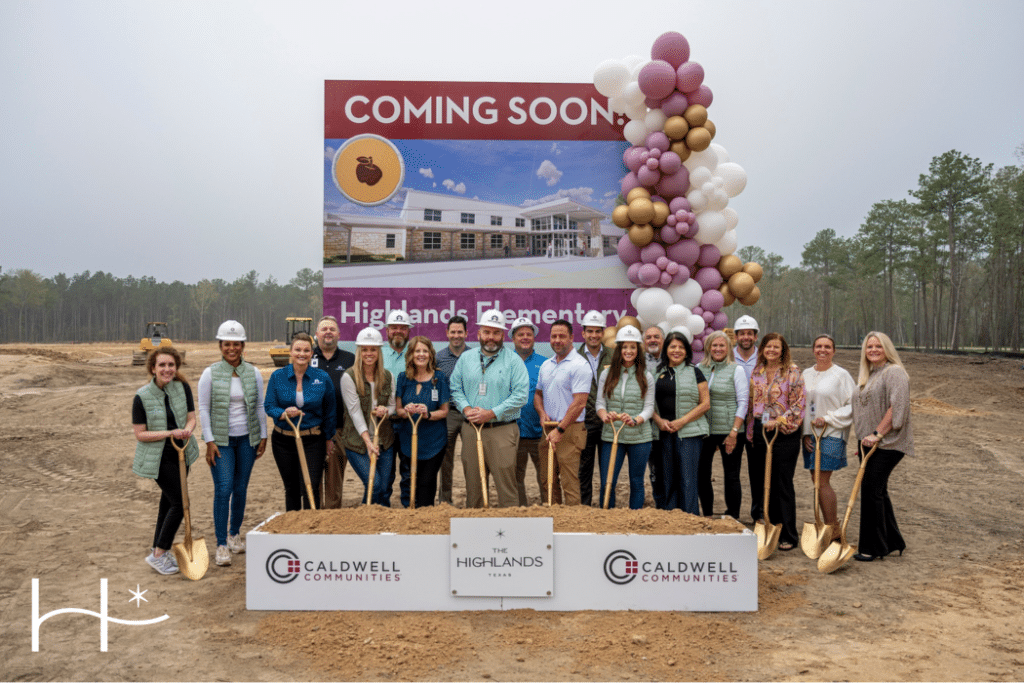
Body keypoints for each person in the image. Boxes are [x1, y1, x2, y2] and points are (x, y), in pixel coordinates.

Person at [198, 320, 267, 567]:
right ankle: (220, 544)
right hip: (222, 442)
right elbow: (204, 408)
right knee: (224, 488)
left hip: (247, 439)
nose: (232, 348)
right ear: (220, 345)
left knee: (240, 488)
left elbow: (259, 404)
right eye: (227, 344)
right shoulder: (210, 373)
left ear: (243, 345)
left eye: (236, 344)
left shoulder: (253, 372)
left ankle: (234, 534)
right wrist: (209, 440)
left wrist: (264, 435)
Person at [449, 309, 529, 508]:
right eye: (487, 332)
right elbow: (455, 388)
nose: (490, 338)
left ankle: (510, 533)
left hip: (502, 430)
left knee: (507, 488)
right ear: (478, 334)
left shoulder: (514, 361)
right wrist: (466, 408)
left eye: (496, 333)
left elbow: (520, 396)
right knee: (474, 489)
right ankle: (474, 534)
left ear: (503, 335)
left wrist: (491, 413)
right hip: (471, 429)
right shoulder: (466, 359)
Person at [132, 346, 198, 576]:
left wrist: (187, 431)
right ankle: (159, 554)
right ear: (153, 368)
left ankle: (157, 547)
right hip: (159, 458)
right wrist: (170, 433)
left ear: (176, 367)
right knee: (181, 504)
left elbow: (191, 419)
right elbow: (140, 434)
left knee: (168, 502)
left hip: (182, 455)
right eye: (162, 365)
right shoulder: (142, 396)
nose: (167, 369)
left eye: (171, 365)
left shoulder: (183, 388)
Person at [852, 331, 912, 561]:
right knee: (878, 491)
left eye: (878, 346)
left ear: (887, 349)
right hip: (868, 442)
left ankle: (872, 547)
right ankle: (893, 541)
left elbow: (896, 408)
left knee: (870, 490)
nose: (873, 350)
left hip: (888, 442)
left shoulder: (894, 372)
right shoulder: (871, 374)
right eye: (869, 347)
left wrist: (878, 433)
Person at [264, 332, 337, 511]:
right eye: (297, 349)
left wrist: (329, 438)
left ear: (312, 353)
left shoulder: (322, 378)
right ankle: (293, 531)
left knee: (311, 485)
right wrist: (283, 413)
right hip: (283, 440)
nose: (301, 354)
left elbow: (330, 411)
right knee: (292, 488)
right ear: (290, 352)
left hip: (313, 440)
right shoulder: (277, 377)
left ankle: (312, 529)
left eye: (306, 350)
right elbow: (269, 405)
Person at [747, 332, 805, 551]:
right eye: (768, 346)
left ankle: (789, 534)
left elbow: (799, 404)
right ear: (762, 349)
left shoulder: (793, 372)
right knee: (765, 482)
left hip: (785, 434)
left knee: (782, 483)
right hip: (761, 434)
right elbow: (753, 405)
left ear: (783, 350)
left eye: (776, 347)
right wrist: (751, 433)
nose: (771, 350)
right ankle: (771, 526)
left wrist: (779, 421)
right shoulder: (757, 372)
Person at [595, 325, 655, 509]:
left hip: (640, 437)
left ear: (638, 350)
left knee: (637, 481)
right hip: (611, 435)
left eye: (633, 347)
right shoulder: (607, 373)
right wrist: (605, 416)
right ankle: (607, 516)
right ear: (619, 350)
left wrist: (636, 420)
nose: (628, 351)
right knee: (608, 481)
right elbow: (600, 403)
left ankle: (634, 521)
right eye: (624, 347)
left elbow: (649, 408)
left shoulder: (646, 376)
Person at [801, 334, 854, 535]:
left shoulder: (841, 375)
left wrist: (830, 418)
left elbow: (851, 405)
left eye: (827, 347)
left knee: (822, 481)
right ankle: (826, 524)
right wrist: (805, 433)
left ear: (834, 350)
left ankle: (833, 527)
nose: (822, 350)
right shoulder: (805, 373)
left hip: (831, 432)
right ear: (813, 349)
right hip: (810, 435)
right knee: (816, 481)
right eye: (818, 346)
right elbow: (803, 406)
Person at [652, 332, 710, 513]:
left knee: (687, 478)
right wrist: (659, 421)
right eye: (672, 347)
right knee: (667, 478)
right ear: (666, 350)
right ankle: (671, 519)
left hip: (690, 433)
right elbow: (647, 403)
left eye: (681, 347)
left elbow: (705, 403)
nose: (676, 350)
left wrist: (682, 421)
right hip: (663, 432)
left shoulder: (695, 372)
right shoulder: (657, 373)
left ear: (687, 351)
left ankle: (690, 518)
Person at [536, 319, 592, 505]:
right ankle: (553, 520)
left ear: (572, 338)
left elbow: (580, 403)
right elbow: (538, 394)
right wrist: (541, 412)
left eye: (562, 336)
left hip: (570, 430)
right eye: (554, 336)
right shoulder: (546, 365)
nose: (557, 340)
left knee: (570, 482)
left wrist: (560, 430)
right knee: (547, 481)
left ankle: (573, 526)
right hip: (548, 429)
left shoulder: (580, 365)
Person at [340, 327, 396, 506]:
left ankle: (384, 524)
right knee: (374, 484)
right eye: (364, 349)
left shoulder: (388, 376)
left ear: (379, 351)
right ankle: (367, 521)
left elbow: (393, 406)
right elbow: (354, 412)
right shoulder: (349, 377)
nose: (369, 353)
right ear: (359, 351)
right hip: (357, 442)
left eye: (373, 349)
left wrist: (386, 411)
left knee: (385, 487)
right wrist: (368, 442)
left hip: (384, 440)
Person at [697, 331, 749, 519]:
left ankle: (732, 515)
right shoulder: (699, 368)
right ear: (708, 348)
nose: (718, 349)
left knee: (731, 475)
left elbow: (743, 402)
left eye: (722, 345)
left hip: (730, 430)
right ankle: (708, 514)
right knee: (702, 474)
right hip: (705, 430)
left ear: (728, 349)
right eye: (714, 345)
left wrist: (734, 431)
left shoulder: (736, 370)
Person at [394, 336, 450, 508]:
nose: (421, 354)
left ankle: (425, 518)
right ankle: (409, 514)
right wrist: (407, 410)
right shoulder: (403, 378)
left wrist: (428, 414)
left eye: (425, 351)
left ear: (431, 355)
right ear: (411, 354)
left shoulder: (439, 378)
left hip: (434, 441)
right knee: (408, 481)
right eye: (417, 351)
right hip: (408, 439)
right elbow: (398, 410)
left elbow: (444, 411)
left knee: (426, 482)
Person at [311, 315, 355, 508]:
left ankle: (331, 518)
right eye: (324, 329)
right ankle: (313, 518)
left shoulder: (349, 359)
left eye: (332, 329)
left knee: (334, 482)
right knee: (311, 480)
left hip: (339, 429)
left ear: (338, 334)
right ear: (316, 334)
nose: (328, 332)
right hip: (310, 430)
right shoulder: (307, 356)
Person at [510, 317, 549, 505]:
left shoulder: (546, 364)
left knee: (545, 477)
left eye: (529, 334)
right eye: (520, 334)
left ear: (534, 338)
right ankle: (521, 512)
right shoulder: (505, 363)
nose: (525, 337)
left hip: (539, 433)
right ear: (513, 338)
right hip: (513, 433)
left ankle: (549, 511)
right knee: (515, 478)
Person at [435, 315, 469, 504]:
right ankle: (445, 500)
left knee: (469, 458)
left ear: (466, 333)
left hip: (469, 415)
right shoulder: (438, 358)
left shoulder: (474, 355)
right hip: (448, 414)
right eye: (453, 332)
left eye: (460, 332)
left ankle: (473, 499)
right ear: (447, 333)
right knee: (445, 460)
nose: (456, 335)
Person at [380, 309, 412, 507]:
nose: (398, 331)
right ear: (387, 331)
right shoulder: (378, 354)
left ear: (408, 331)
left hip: (410, 422)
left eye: (403, 328)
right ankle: (382, 509)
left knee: (409, 469)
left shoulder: (417, 353)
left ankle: (410, 508)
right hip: (385, 422)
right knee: (385, 470)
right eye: (394, 328)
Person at [577, 310, 609, 506]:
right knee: (584, 470)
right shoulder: (575, 356)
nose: (594, 335)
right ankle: (584, 509)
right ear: (583, 333)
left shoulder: (614, 356)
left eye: (598, 331)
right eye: (590, 331)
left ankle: (606, 508)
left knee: (607, 471)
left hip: (607, 423)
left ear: (603, 333)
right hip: (584, 423)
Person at [732, 315, 761, 521]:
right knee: (732, 470)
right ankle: (733, 512)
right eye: (742, 333)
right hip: (734, 420)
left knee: (756, 469)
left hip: (756, 422)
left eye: (749, 333)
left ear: (755, 336)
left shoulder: (764, 357)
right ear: (736, 336)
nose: (746, 337)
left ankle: (758, 513)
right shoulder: (727, 356)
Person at [643, 325, 666, 508]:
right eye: (649, 337)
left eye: (656, 337)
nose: (652, 340)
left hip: (673, 426)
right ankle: (660, 507)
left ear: (663, 340)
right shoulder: (638, 363)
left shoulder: (674, 359)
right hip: (650, 429)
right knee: (656, 471)